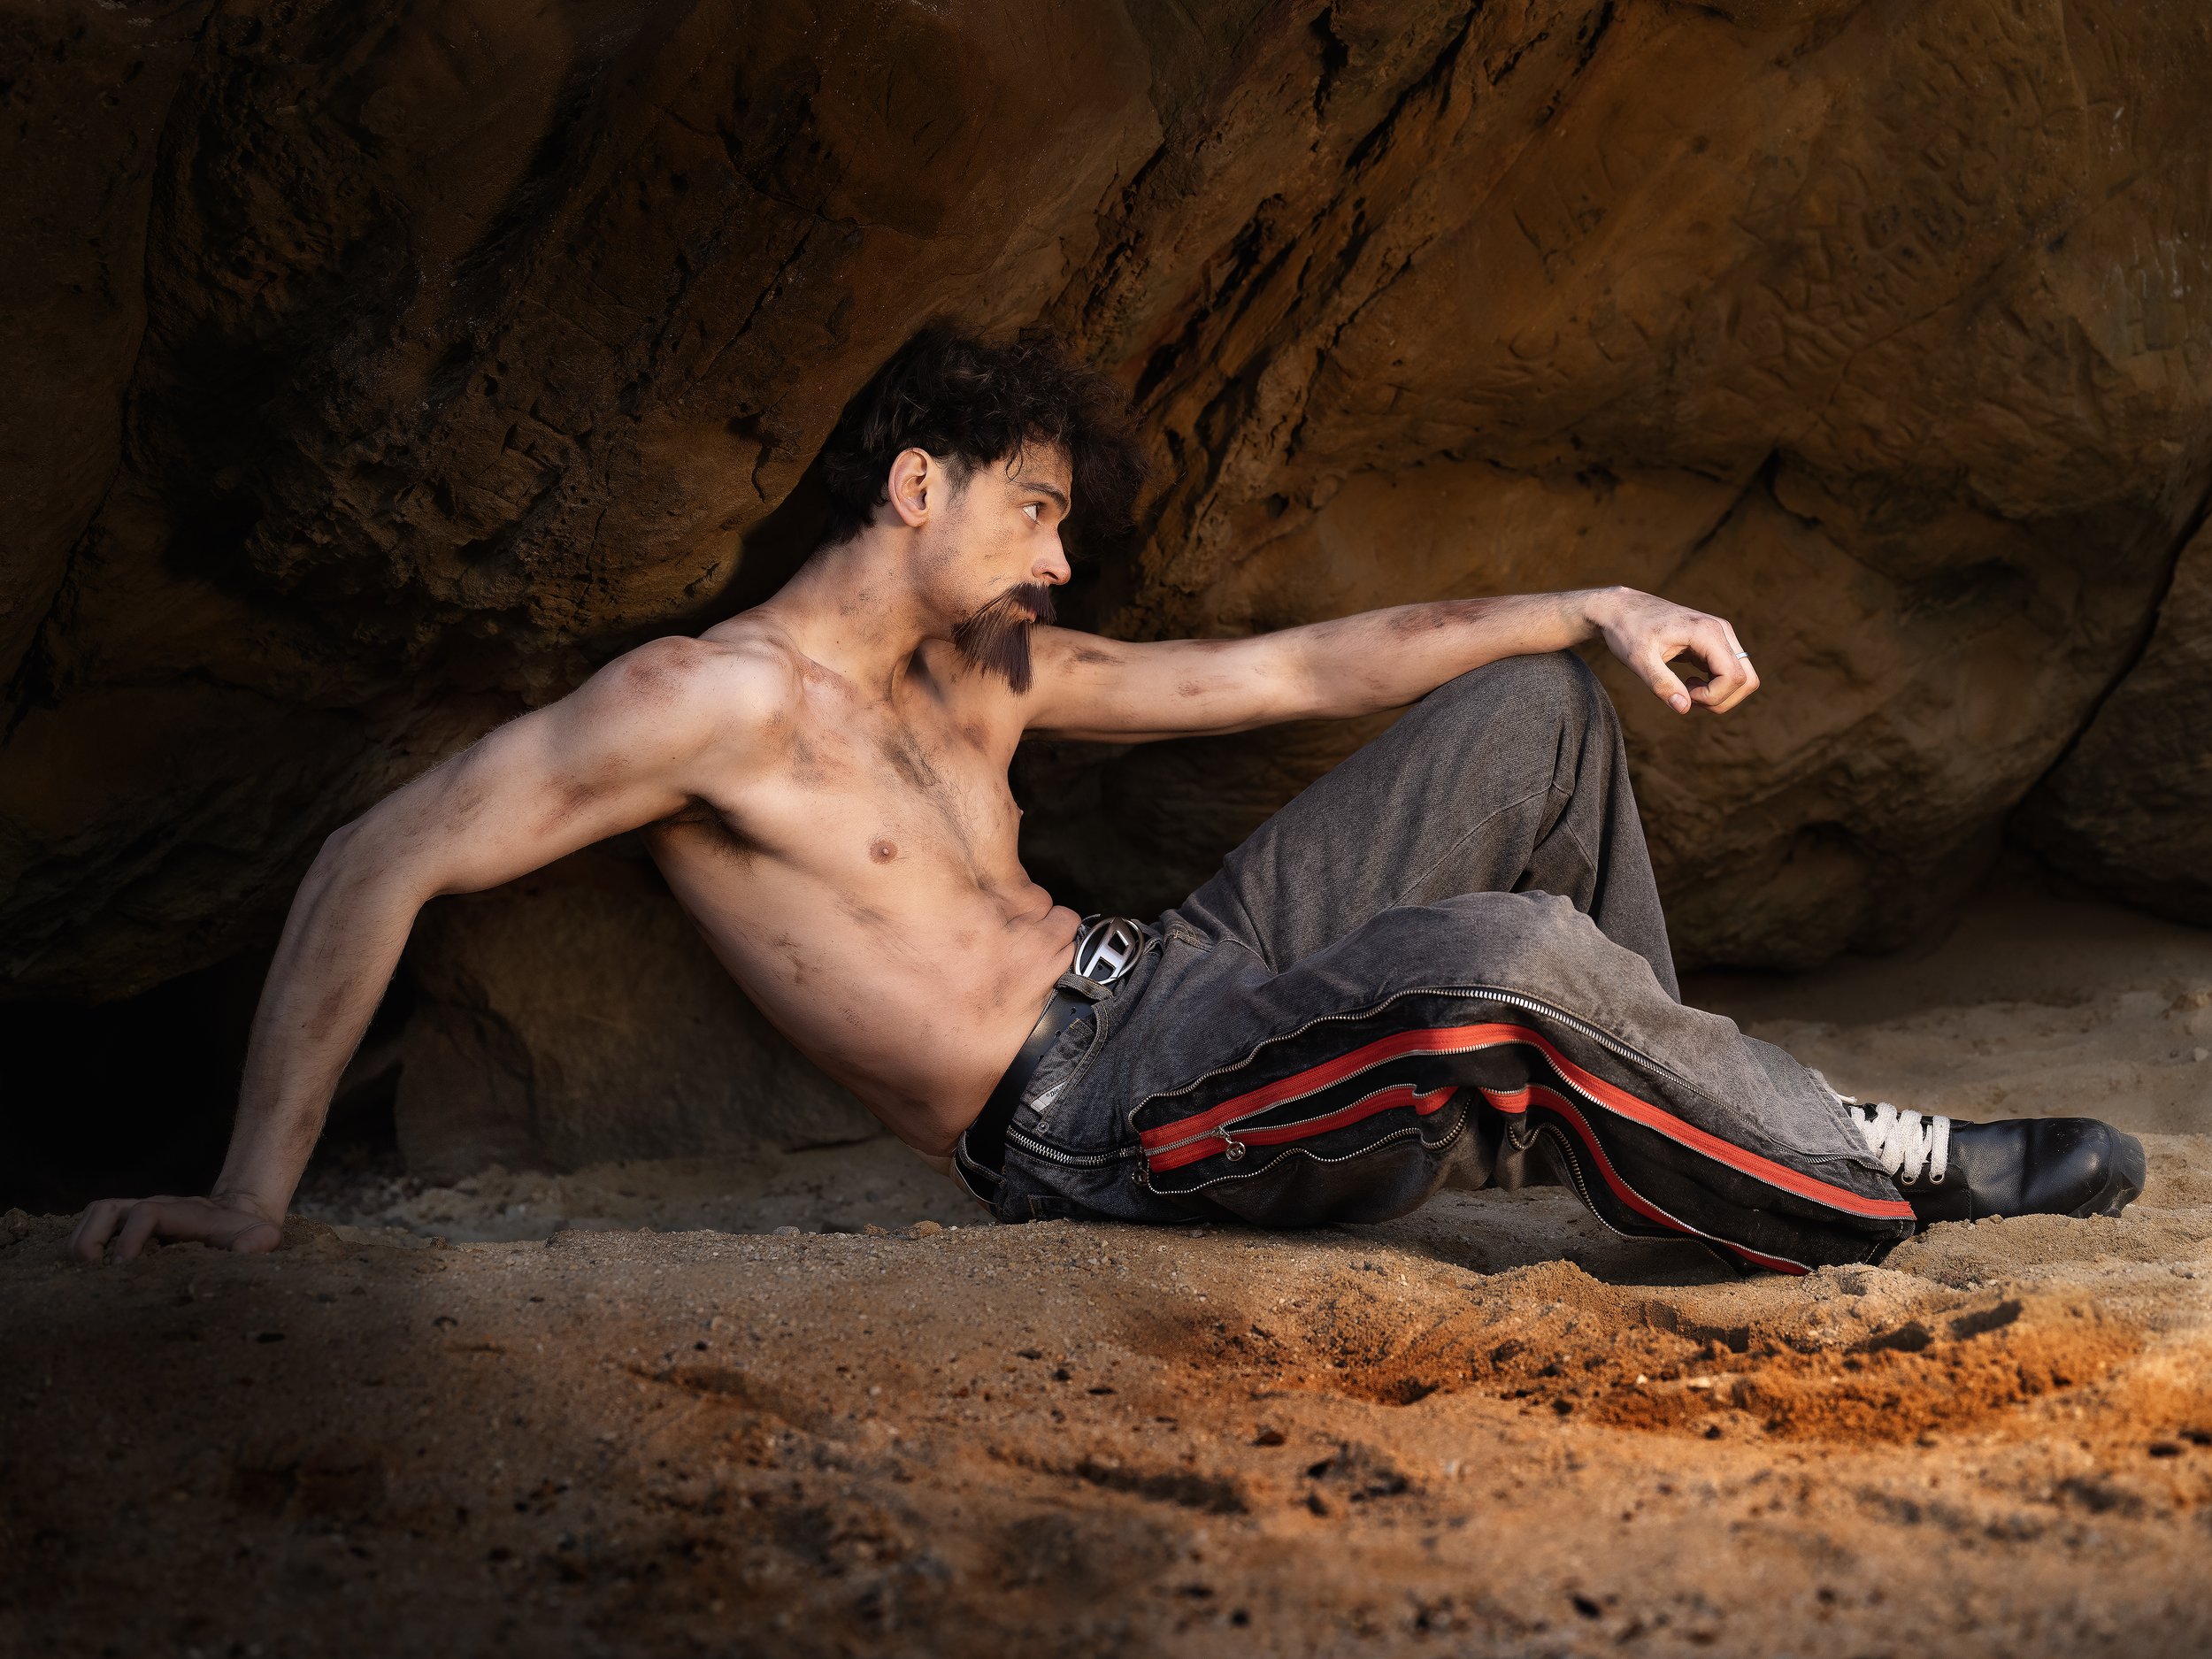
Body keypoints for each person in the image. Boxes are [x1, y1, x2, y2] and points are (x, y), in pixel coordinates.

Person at [69, 324, 2144, 1271]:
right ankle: (1880, 1159)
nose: (1063, 561)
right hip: (1099, 1129)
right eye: (1036, 511)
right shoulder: (703, 709)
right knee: (1499, 955)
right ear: (914, 485)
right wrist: (256, 1189)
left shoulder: (986, 670)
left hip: (1189, 985)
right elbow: (384, 850)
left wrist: (1594, 598)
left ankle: (1691, 1126)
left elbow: (1302, 668)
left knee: (1531, 711)